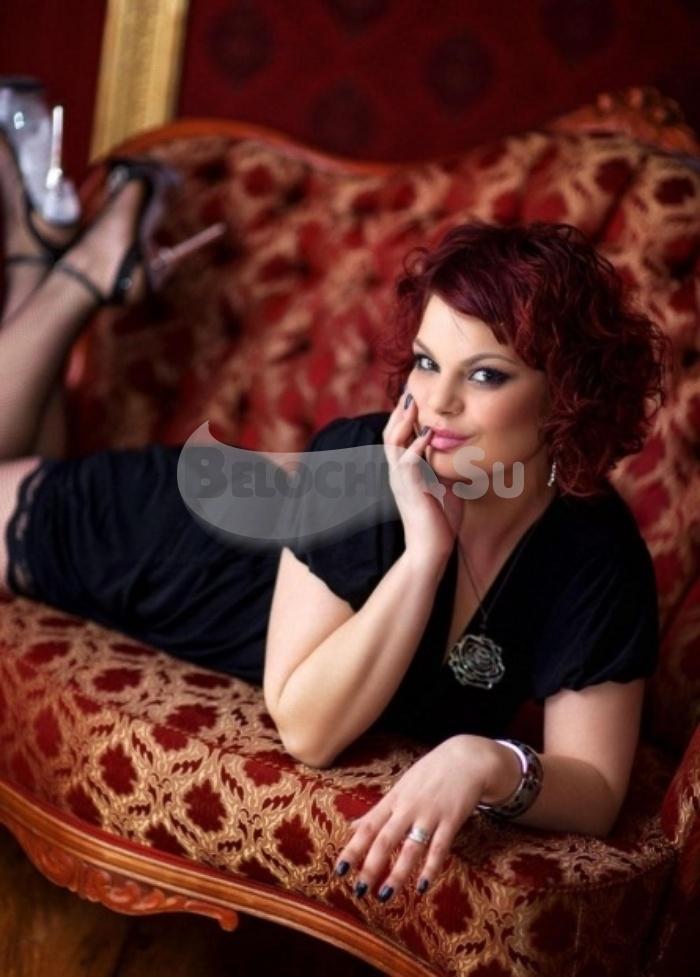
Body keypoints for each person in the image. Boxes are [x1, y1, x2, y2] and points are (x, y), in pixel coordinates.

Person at [0, 133, 672, 906]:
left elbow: (595, 790)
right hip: (167, 545)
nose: (438, 402)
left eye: (486, 375)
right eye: (427, 362)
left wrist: (487, 760)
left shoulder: (594, 548)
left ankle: (46, 257)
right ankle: (73, 272)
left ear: (567, 393)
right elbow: (309, 731)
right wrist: (423, 554)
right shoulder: (360, 457)